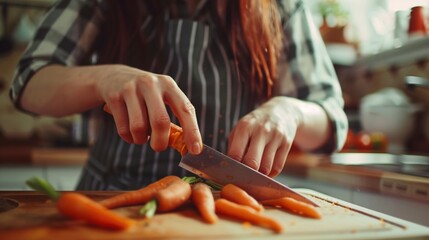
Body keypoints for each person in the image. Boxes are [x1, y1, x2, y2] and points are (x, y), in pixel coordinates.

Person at [10, 0, 348, 190]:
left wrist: (290, 113)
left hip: (222, 207)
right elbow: (28, 82)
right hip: (110, 196)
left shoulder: (281, 6)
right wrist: (104, 78)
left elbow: (331, 118)